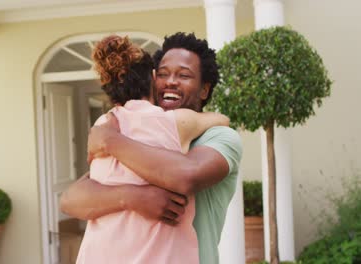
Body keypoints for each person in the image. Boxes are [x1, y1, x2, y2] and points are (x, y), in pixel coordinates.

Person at [61, 32, 243, 264]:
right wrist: (132, 197)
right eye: (164, 74)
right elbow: (71, 199)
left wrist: (110, 141)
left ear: (204, 90)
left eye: (184, 75)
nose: (171, 81)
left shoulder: (219, 137)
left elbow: (186, 176)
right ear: (152, 78)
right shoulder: (125, 128)